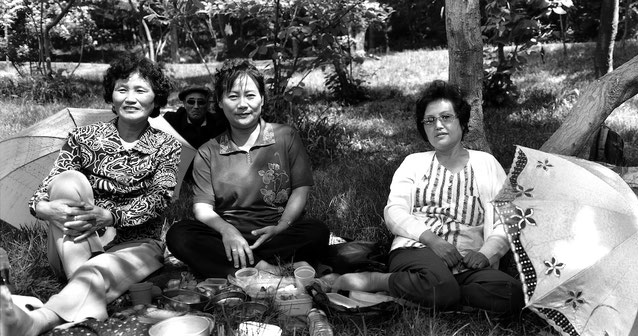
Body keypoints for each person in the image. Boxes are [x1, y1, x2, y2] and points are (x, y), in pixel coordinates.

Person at [1, 54, 181, 336]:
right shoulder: (83, 137)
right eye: (122, 89)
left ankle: (39, 320)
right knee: (68, 180)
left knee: (95, 270)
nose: (130, 98)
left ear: (156, 100)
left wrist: (109, 216)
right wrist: (42, 208)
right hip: (75, 243)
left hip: (136, 246)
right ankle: (88, 286)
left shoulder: (165, 145)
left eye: (140, 90)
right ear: (111, 95)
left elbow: (160, 198)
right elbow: (48, 186)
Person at [328, 80, 524, 315]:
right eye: (430, 120)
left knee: (512, 293)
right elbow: (394, 212)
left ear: (461, 120)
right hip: (418, 249)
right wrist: (433, 241)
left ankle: (419, 295)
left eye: (446, 117)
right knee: (440, 286)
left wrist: (486, 253)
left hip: (467, 262)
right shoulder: (414, 162)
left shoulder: (488, 164)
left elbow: (508, 217)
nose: (438, 125)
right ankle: (375, 281)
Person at [166, 59, 329, 279]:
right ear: (220, 103)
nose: (242, 104)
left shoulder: (285, 136)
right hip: (226, 238)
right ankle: (265, 267)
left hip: (277, 235)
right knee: (179, 235)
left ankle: (238, 268)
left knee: (317, 232)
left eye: (250, 95)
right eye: (233, 96)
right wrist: (228, 231)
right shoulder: (208, 151)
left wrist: (282, 225)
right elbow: (202, 209)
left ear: (262, 99)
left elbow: (301, 189)